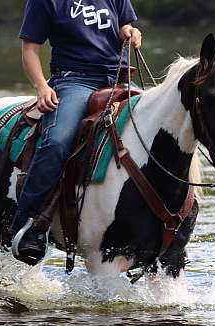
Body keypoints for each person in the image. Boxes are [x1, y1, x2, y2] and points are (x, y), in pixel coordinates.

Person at [11, 0, 143, 264]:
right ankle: (29, 225)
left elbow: (124, 26)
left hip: (119, 78)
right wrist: (41, 87)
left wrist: (131, 33)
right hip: (74, 80)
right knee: (57, 141)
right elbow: (30, 50)